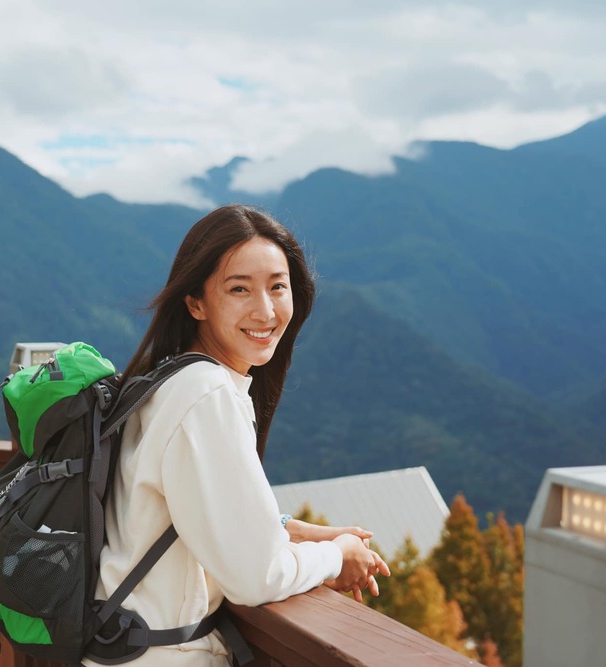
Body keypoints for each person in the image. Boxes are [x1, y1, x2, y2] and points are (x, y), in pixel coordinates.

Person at [88, 204, 389, 666]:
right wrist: (337, 555)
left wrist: (291, 531)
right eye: (239, 289)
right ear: (196, 302)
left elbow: (183, 508)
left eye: (277, 287)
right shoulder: (205, 393)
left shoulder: (167, 379)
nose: (265, 310)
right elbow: (257, 578)